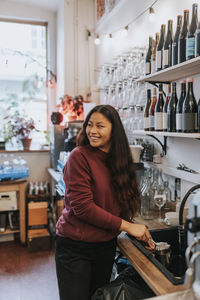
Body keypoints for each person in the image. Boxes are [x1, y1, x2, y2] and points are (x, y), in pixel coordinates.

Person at [55, 105, 154, 300]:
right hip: (75, 248)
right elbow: (83, 208)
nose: (92, 131)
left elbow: (118, 203)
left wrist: (137, 230)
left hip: (105, 246)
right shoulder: (79, 156)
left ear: (113, 130)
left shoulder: (119, 160)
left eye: (100, 126)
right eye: (90, 125)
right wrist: (127, 226)